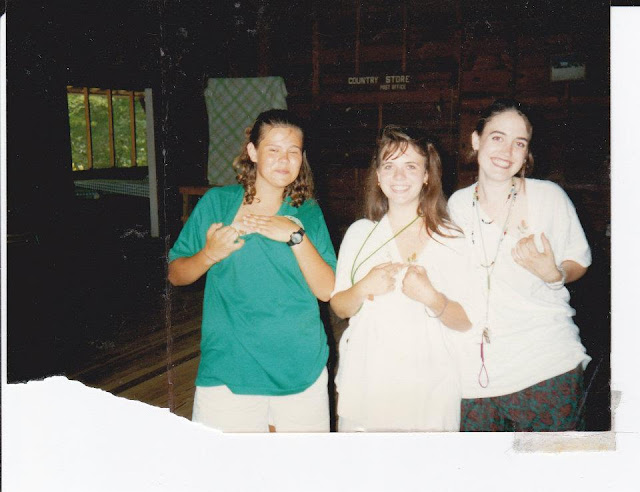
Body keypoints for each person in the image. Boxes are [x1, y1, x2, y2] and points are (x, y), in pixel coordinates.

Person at [168, 109, 336, 432]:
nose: (284, 160)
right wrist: (208, 254)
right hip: (229, 369)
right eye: (273, 149)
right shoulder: (218, 203)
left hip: (300, 367)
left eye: (293, 151)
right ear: (253, 152)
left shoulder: (308, 212)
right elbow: (176, 274)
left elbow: (327, 290)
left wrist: (295, 235)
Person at [447, 99, 592, 431]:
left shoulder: (548, 197)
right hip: (475, 373)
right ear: (476, 140)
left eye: (519, 143)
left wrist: (555, 274)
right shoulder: (457, 205)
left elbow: (579, 260)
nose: (507, 151)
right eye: (497, 137)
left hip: (544, 366)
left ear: (526, 154)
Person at [330, 126, 475, 432]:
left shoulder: (451, 237)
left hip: (430, 390)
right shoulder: (360, 234)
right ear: (378, 176)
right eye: (389, 166)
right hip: (369, 386)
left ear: (427, 175)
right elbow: (340, 306)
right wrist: (363, 287)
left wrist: (431, 298)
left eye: (410, 166)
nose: (399, 176)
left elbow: (465, 321)